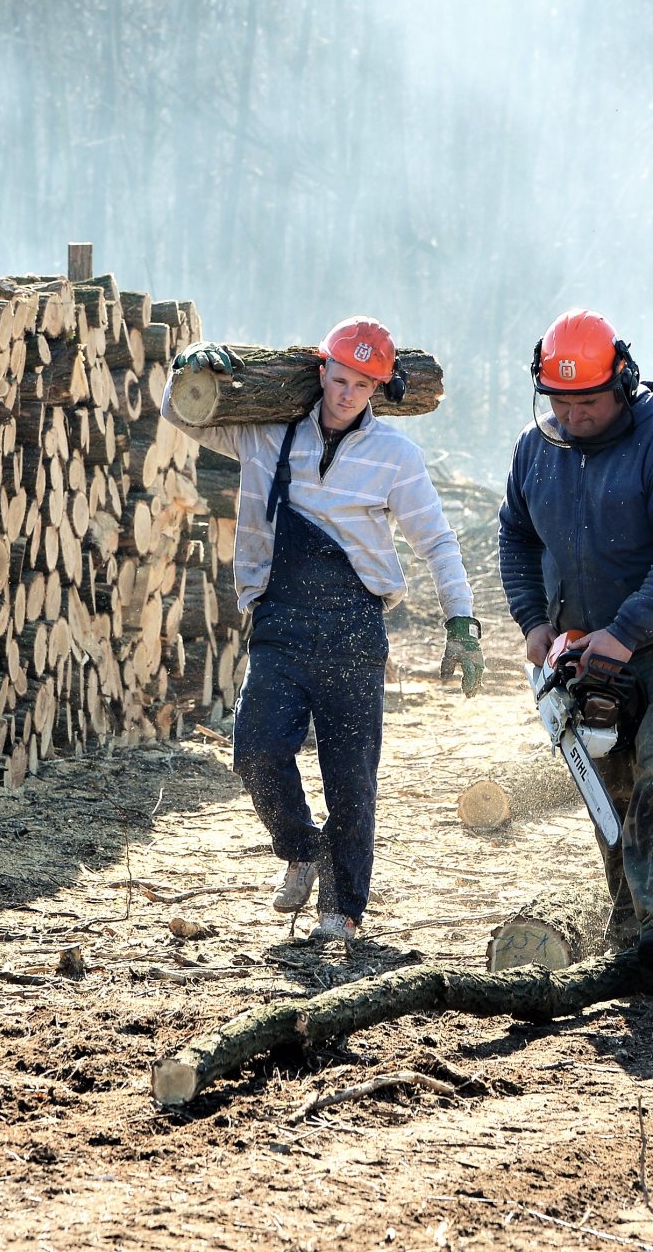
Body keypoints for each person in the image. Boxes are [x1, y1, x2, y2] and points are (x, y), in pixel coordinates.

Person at [166, 316, 482, 944]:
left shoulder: (395, 456)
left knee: (350, 775)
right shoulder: (265, 435)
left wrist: (461, 619)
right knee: (255, 749)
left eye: (363, 385)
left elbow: (436, 542)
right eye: (340, 379)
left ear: (378, 390)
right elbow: (181, 416)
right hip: (279, 619)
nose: (346, 395)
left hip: (354, 627)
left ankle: (342, 906)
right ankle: (302, 847)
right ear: (320, 372)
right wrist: (187, 365)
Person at [497, 309, 653, 989]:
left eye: (588, 400)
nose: (574, 415)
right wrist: (532, 619)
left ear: (622, 382)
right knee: (610, 781)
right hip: (585, 644)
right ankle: (629, 929)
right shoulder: (536, 452)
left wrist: (625, 632)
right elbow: (516, 535)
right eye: (560, 402)